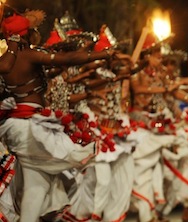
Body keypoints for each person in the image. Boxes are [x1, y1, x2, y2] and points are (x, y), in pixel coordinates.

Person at [0, 12, 117, 221]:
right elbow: (68, 60)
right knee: (46, 180)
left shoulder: (12, 58)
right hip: (31, 127)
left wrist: (84, 51)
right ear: (24, 35)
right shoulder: (27, 55)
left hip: (21, 124)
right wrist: (102, 54)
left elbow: (63, 62)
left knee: (39, 185)